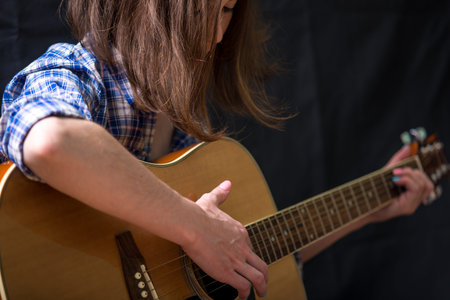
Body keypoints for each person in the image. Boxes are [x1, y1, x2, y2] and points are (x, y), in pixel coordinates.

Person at [0, 0, 434, 298]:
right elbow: (49, 140)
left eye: (227, 9)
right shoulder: (76, 72)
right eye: (203, 7)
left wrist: (372, 206)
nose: (217, 32)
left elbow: (242, 253)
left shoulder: (179, 125)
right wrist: (194, 226)